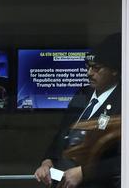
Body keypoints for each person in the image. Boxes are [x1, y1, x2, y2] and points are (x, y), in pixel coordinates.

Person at [34, 35, 121, 188]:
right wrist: (47, 161)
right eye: (88, 66)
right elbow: (61, 137)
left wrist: (84, 172)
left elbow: (122, 159)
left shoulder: (122, 103)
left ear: (113, 70)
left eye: (96, 68)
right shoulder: (82, 95)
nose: (89, 73)